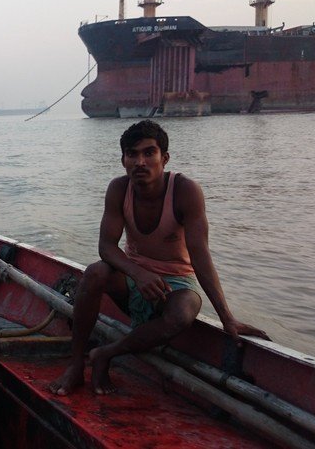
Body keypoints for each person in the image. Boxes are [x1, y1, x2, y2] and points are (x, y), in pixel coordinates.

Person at [50, 120, 269, 396]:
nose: (140, 162)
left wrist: (227, 318)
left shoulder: (186, 191)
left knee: (185, 311)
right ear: (123, 160)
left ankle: (106, 353)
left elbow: (201, 257)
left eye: (149, 153)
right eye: (132, 154)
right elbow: (106, 247)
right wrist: (138, 274)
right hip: (134, 279)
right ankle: (75, 365)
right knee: (95, 273)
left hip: (175, 283)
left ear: (164, 158)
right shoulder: (118, 189)